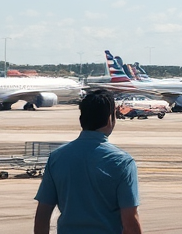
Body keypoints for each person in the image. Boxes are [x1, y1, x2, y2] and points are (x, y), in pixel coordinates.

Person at [33, 90, 141, 234]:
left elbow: (42, 215)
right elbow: (130, 222)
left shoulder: (57, 157)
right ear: (110, 119)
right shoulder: (122, 162)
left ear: (81, 119)